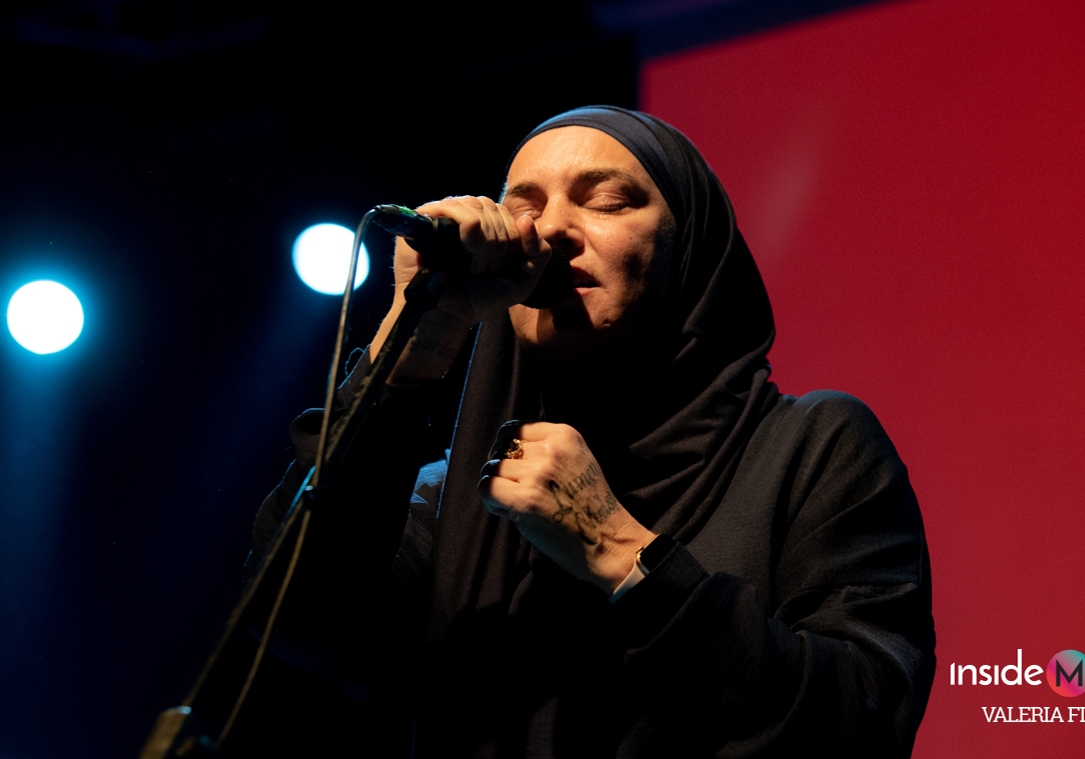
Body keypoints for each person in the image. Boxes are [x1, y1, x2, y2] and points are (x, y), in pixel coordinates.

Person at [250, 105, 936, 757]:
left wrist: (616, 549)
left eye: (607, 201)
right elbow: (296, 615)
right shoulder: (455, 496)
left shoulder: (813, 447)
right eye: (522, 209)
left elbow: (864, 724)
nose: (551, 230)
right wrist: (414, 346)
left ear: (690, 247)